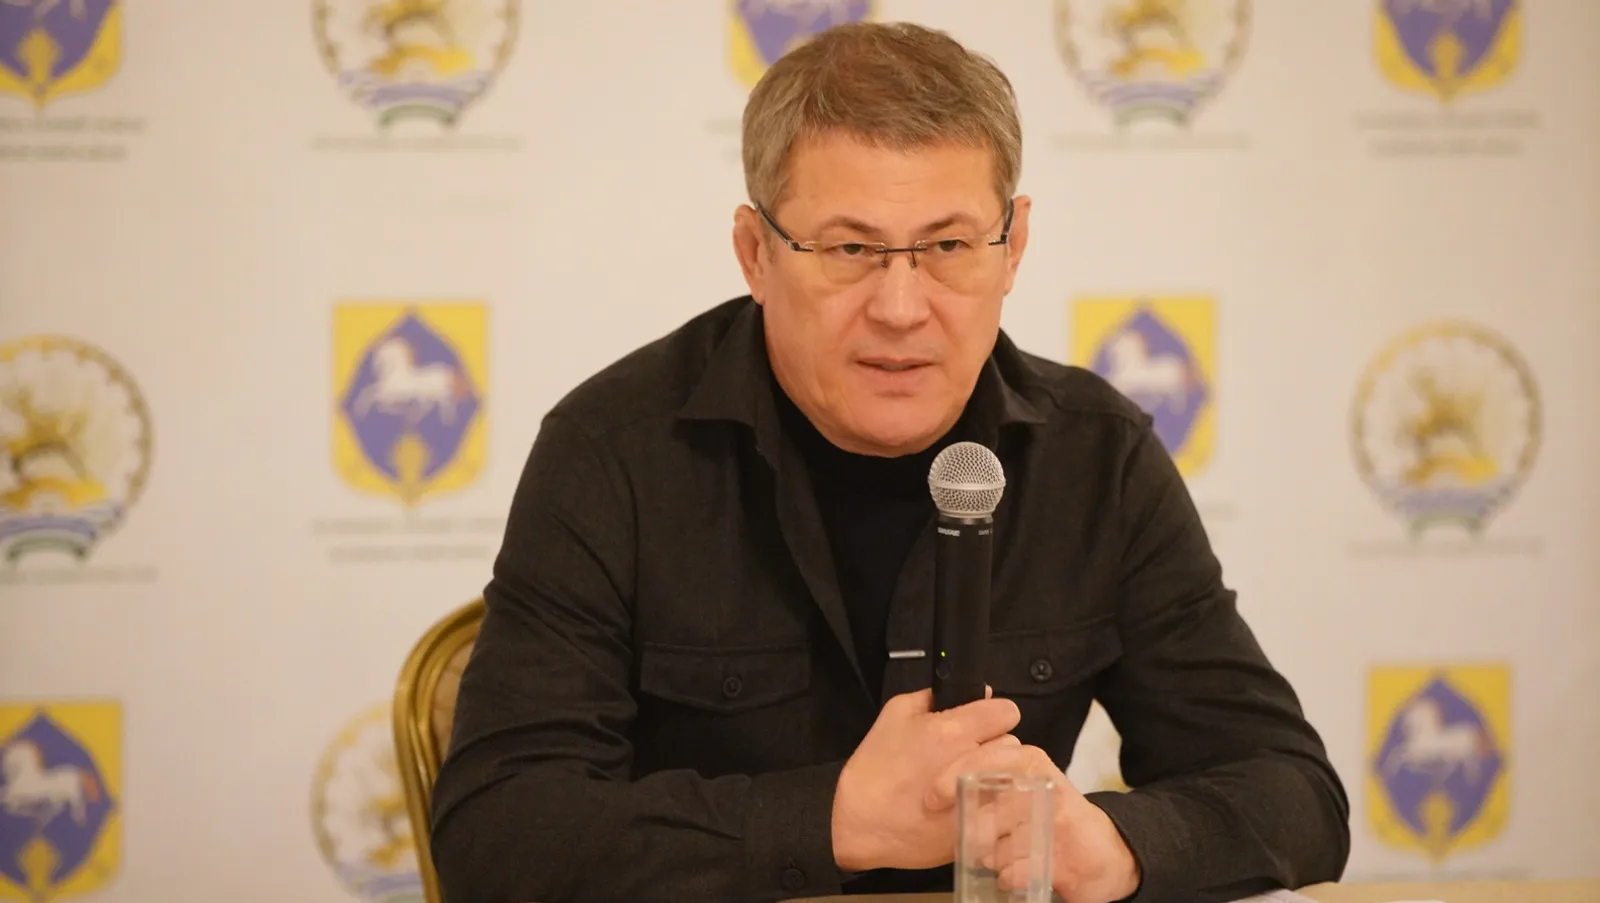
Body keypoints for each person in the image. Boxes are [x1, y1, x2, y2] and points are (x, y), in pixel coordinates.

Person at [429, 20, 1350, 903]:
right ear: (756, 254)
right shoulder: (613, 451)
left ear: (1013, 247)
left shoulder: (1096, 456)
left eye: (948, 245)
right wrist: (832, 820)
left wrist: (1114, 845)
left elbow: (1293, 789)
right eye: (850, 248)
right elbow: (496, 831)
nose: (902, 309)